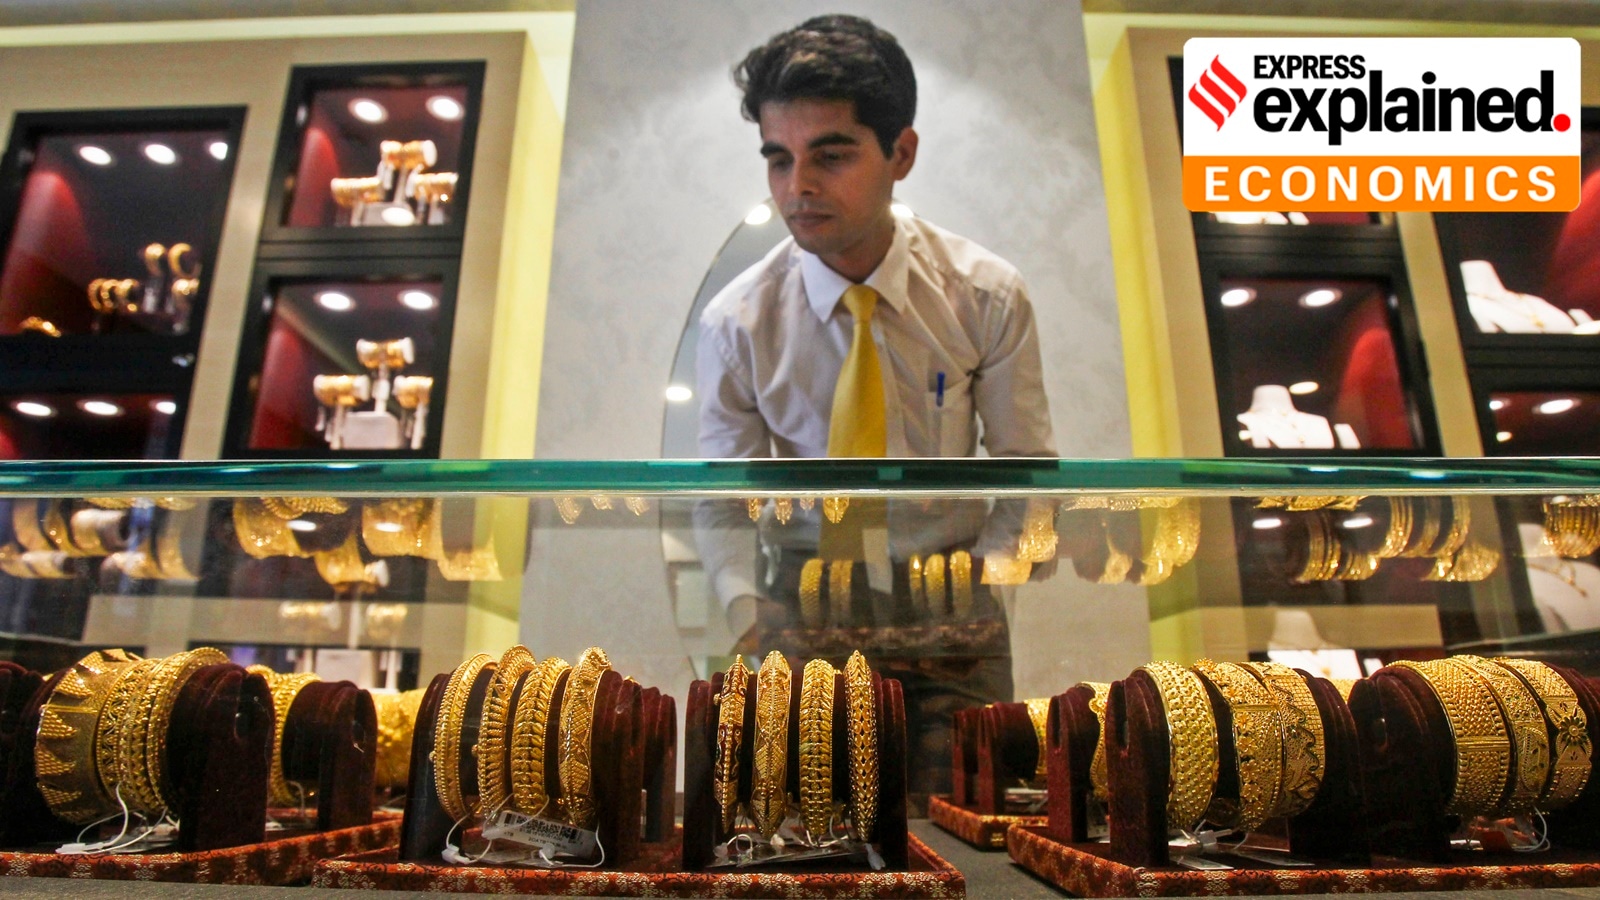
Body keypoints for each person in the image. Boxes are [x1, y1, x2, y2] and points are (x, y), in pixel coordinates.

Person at [693, 14, 1056, 802]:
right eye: (778, 159)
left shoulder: (985, 295)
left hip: (953, 590)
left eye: (830, 155)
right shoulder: (736, 322)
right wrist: (749, 616)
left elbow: (1028, 467)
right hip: (800, 595)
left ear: (902, 153)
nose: (797, 187)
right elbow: (720, 496)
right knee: (804, 835)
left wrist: (989, 587)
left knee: (968, 827)